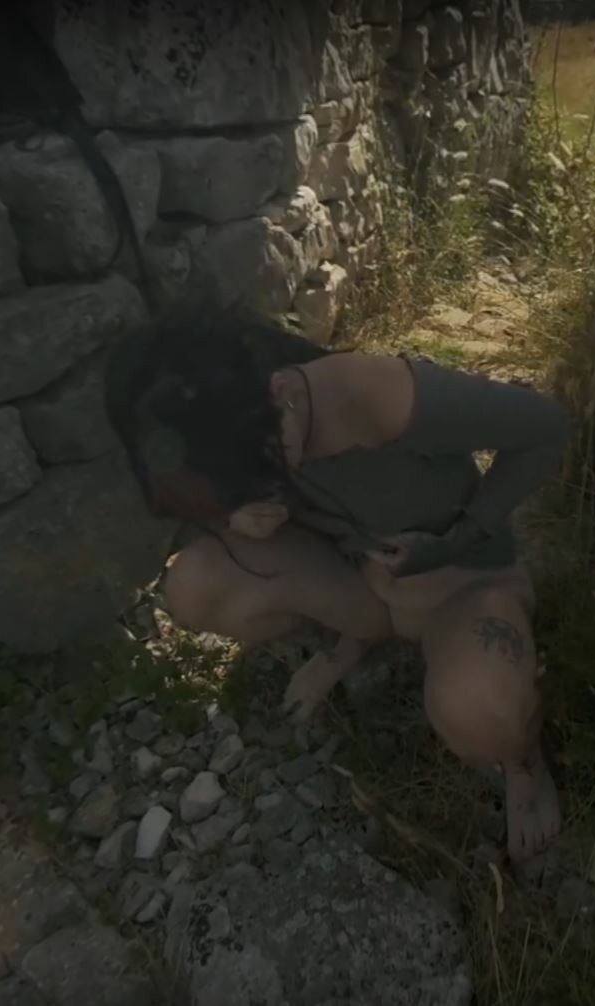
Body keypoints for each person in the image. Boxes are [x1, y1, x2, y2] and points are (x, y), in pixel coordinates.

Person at [105, 313, 571, 863]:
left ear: (280, 394)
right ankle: (353, 643)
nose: (265, 489)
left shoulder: (374, 394)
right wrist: (240, 518)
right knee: (193, 587)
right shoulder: (228, 439)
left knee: (480, 713)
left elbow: (547, 426)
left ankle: (522, 761)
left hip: (459, 585)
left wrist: (457, 538)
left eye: (260, 475)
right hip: (364, 586)